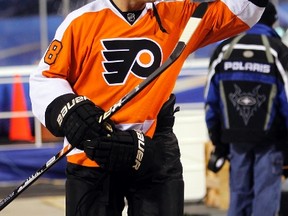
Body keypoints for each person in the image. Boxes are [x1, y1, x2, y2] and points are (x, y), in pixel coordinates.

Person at [29, 0, 267, 215]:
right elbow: (46, 78)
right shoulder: (80, 21)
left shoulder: (179, 14)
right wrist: (69, 113)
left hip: (153, 151)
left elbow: (244, 10)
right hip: (92, 156)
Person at [204, 2, 288, 216]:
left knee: (239, 195)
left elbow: (210, 100)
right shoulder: (278, 51)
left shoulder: (223, 50)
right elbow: (287, 99)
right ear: (272, 21)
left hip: (235, 139)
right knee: (265, 196)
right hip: (271, 141)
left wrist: (217, 138)